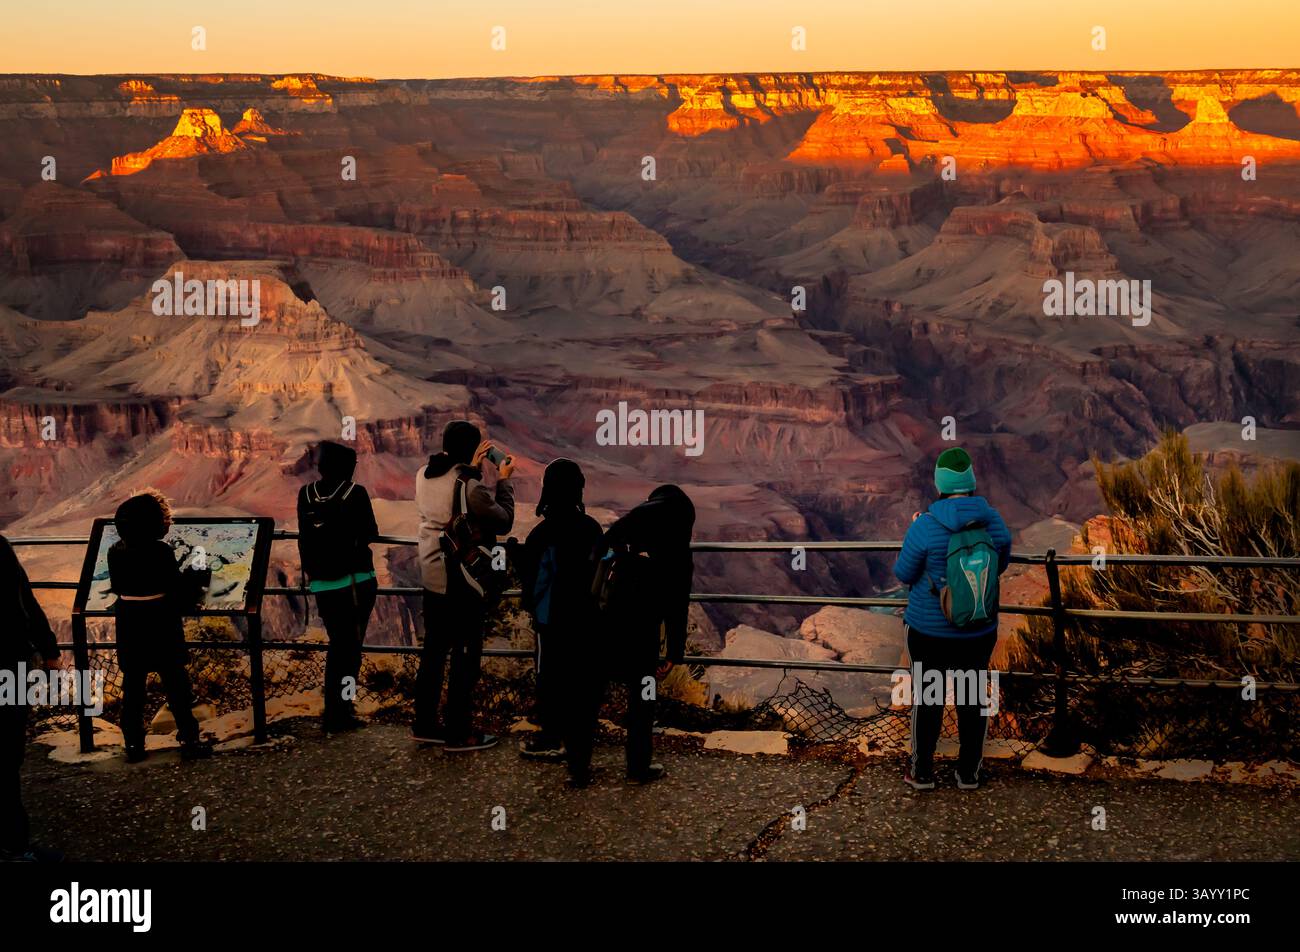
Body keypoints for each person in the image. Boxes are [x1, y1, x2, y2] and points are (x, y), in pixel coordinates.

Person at [893, 447, 1011, 792]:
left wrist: (917, 535)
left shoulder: (926, 526)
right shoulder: (994, 521)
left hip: (929, 630)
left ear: (940, 484)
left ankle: (922, 772)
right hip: (978, 630)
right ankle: (969, 773)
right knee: (972, 699)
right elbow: (999, 564)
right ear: (971, 483)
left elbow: (903, 573)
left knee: (928, 700)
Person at [413, 420, 515, 752]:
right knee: (464, 655)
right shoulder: (471, 487)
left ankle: (425, 724)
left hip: (431, 572)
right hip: (461, 579)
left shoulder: (422, 473)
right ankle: (460, 733)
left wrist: (471, 467)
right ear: (474, 450)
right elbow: (503, 520)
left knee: (434, 652)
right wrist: (503, 482)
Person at [591, 485, 695, 785]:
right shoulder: (677, 546)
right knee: (642, 699)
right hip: (643, 633)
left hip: (603, 622)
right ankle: (638, 768)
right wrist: (673, 653)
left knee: (591, 693)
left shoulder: (631, 523)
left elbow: (597, 556)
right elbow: (677, 607)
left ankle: (578, 765)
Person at [509, 459, 604, 778]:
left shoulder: (542, 532)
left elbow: (535, 578)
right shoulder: (591, 527)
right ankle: (580, 744)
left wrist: (515, 558)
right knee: (581, 678)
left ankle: (551, 737)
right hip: (587, 618)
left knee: (549, 676)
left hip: (551, 620)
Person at [108, 490, 213, 763]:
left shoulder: (114, 550)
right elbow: (174, 589)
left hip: (130, 622)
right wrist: (197, 577)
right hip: (160, 623)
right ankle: (189, 738)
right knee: (176, 683)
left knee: (133, 687)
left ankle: (133, 743)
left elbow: (118, 586)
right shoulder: (160, 550)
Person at [298, 441, 379, 734]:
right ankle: (341, 711)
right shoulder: (354, 493)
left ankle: (334, 710)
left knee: (337, 647)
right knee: (351, 651)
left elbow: (304, 537)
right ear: (347, 468)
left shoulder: (305, 494)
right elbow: (371, 532)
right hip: (355, 583)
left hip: (322, 585)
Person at [0, 536, 63, 862]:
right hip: (7, 665)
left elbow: (22, 598)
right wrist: (48, 648)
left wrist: (48, 648)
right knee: (6, 756)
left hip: (10, 662)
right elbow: (23, 601)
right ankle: (14, 845)